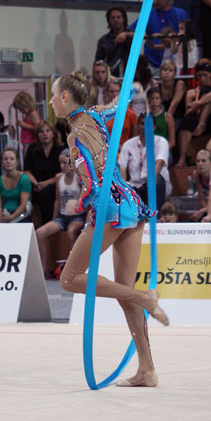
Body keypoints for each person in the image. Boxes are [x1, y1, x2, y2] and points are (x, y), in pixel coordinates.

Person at [50, 71, 169, 388]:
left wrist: (77, 206)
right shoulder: (94, 115)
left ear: (64, 98)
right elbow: (121, 101)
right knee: (123, 294)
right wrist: (134, 87)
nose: (50, 102)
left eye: (52, 96)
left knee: (70, 278)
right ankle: (147, 370)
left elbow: (91, 185)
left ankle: (143, 297)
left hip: (109, 208)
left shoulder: (75, 136)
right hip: (130, 201)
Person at [35, 149, 86, 277]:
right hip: (63, 217)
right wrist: (54, 219)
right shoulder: (59, 178)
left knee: (71, 231)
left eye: (65, 163)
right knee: (39, 233)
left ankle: (73, 268)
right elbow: (58, 200)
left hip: (77, 217)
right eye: (60, 163)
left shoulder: (79, 178)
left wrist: (77, 209)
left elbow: (86, 202)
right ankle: (44, 267)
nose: (62, 166)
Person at [119, 0, 188, 74]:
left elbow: (185, 36)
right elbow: (132, 29)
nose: (155, 2)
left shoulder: (180, 14)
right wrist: (127, 34)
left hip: (174, 63)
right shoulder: (148, 13)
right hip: (152, 63)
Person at [119, 112, 172, 211]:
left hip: (153, 184)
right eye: (142, 124)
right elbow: (122, 168)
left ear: (154, 127)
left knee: (158, 179)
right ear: (138, 126)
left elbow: (159, 162)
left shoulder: (161, 142)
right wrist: (123, 186)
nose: (145, 127)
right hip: (135, 185)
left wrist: (151, 178)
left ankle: (156, 216)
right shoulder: (128, 144)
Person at [176, 59, 211, 166]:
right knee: (186, 120)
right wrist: (195, 107)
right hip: (197, 120)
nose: (202, 79)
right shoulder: (191, 92)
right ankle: (182, 158)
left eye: (205, 75)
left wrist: (197, 103)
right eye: (200, 76)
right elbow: (188, 111)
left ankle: (202, 124)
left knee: (207, 90)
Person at [24, 120, 64, 225]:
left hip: (55, 183)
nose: (45, 134)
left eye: (48, 131)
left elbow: (64, 173)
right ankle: (32, 226)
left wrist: (45, 184)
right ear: (37, 135)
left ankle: (49, 223)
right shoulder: (32, 149)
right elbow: (27, 171)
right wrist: (36, 183)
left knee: (46, 193)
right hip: (36, 184)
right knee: (30, 192)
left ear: (53, 134)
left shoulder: (61, 149)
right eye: (41, 131)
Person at [0, 148, 32, 223]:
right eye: (5, 159)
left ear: (17, 162)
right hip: (5, 214)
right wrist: (1, 216)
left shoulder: (24, 179)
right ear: (1, 162)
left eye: (12, 159)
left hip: (21, 215)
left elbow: (23, 204)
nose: (8, 161)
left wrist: (11, 218)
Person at [94, 5, 132, 76]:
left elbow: (145, 36)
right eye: (113, 18)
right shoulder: (103, 40)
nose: (116, 20)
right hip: (111, 77)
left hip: (130, 76)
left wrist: (127, 34)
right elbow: (98, 62)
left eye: (118, 17)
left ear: (124, 19)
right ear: (109, 20)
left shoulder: (131, 35)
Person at [105, 80, 138, 150]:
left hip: (126, 151)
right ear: (107, 94)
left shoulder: (131, 114)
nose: (115, 94)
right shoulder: (103, 113)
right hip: (107, 152)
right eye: (111, 92)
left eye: (117, 91)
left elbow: (135, 139)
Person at [190, 149, 211, 222]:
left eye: (203, 161)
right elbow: (202, 200)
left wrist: (204, 211)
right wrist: (208, 211)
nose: (200, 163)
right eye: (198, 161)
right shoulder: (197, 176)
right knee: (193, 220)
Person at [159, 59, 186, 129]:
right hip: (161, 118)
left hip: (179, 118)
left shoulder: (179, 84)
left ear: (175, 73)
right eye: (165, 70)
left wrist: (164, 122)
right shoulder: (157, 86)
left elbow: (174, 105)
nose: (167, 73)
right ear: (160, 72)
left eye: (170, 70)